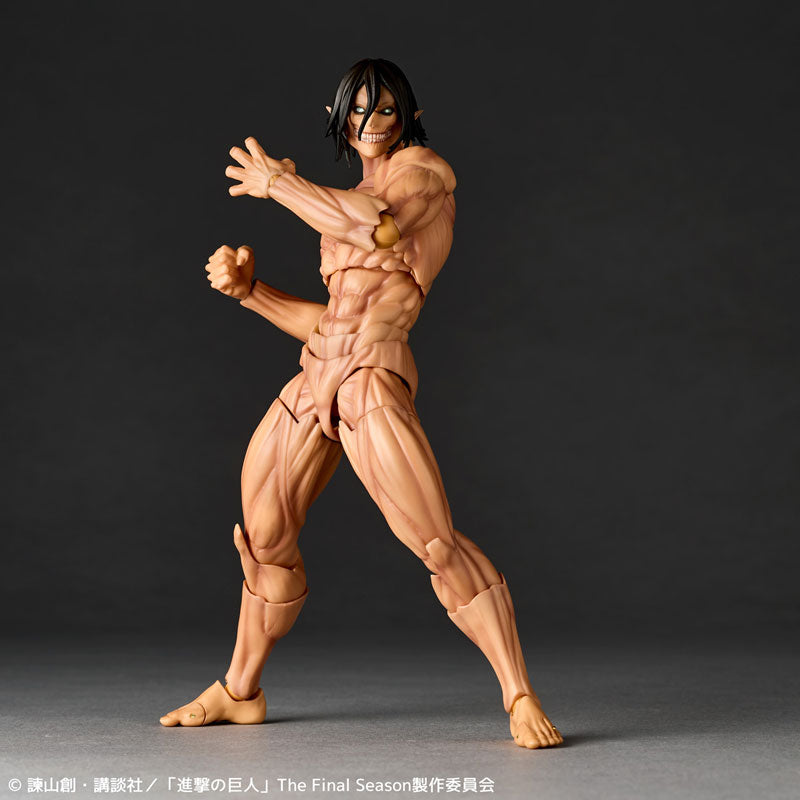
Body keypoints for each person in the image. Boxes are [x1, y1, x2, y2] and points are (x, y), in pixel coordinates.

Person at [159, 58, 562, 749]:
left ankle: (519, 694)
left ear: (409, 115)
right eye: (358, 110)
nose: (371, 122)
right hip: (317, 372)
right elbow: (331, 321)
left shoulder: (424, 174)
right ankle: (239, 691)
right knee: (263, 538)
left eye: (385, 109)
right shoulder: (340, 201)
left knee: (433, 541)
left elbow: (378, 230)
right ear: (338, 117)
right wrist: (252, 293)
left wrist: (279, 184)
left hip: (372, 376)